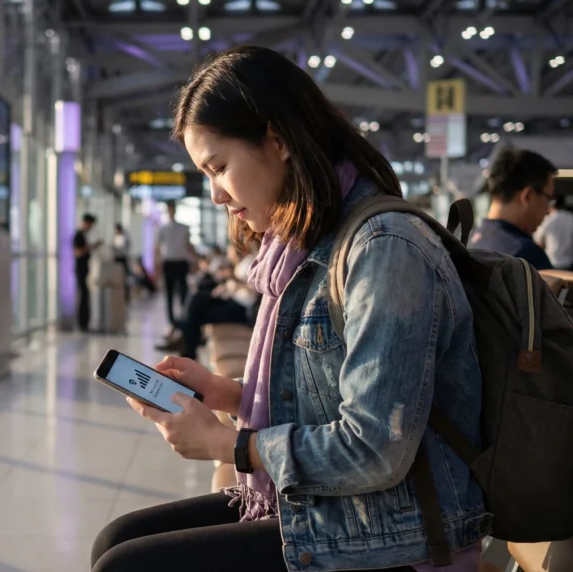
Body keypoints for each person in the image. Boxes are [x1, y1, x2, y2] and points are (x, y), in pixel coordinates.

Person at [91, 46, 485, 572]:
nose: (214, 195)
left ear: (277, 140)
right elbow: (326, 398)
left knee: (127, 564)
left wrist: (230, 445)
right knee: (117, 538)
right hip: (345, 509)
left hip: (401, 537)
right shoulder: (309, 245)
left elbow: (374, 449)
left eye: (220, 167)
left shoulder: (384, 247)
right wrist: (228, 393)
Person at [158, 241, 260, 358]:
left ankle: (181, 332)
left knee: (197, 310)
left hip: (242, 307)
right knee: (196, 299)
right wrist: (228, 284)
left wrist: (233, 280)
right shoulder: (241, 263)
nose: (229, 253)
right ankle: (184, 339)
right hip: (233, 299)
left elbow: (253, 290)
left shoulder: (250, 262)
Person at [468, 148, 556, 270]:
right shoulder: (525, 256)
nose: (548, 210)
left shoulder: (470, 242)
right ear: (527, 196)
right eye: (548, 198)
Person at [156, 200, 197, 335]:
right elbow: (158, 248)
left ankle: (183, 321)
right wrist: (157, 266)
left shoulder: (184, 228)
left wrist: (195, 261)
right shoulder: (162, 228)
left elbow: (188, 245)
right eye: (169, 209)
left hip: (181, 262)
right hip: (168, 262)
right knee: (168, 294)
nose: (171, 212)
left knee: (183, 293)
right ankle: (171, 323)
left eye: (173, 209)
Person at [72, 213, 102, 331]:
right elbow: (78, 252)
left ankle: (85, 323)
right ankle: (82, 324)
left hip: (85, 270)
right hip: (80, 270)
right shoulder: (79, 235)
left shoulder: (83, 235)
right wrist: (91, 246)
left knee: (86, 296)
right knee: (83, 297)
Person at [533, 194, 573, 269]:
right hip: (571, 263)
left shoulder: (547, 219)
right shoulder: (572, 217)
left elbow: (538, 241)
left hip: (553, 263)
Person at [112, 223, 132, 303]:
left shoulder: (125, 237)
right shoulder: (115, 237)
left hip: (123, 259)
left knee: (125, 278)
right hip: (116, 259)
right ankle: (118, 296)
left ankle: (126, 296)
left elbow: (125, 248)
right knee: (117, 279)